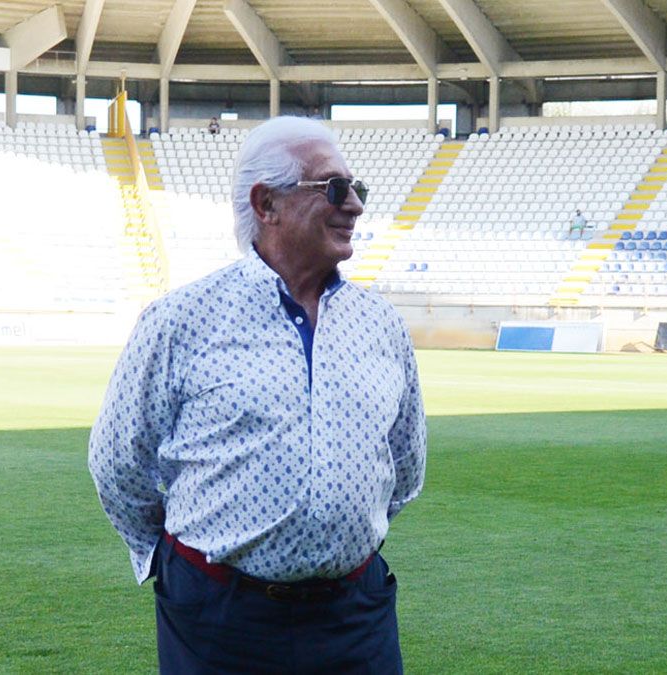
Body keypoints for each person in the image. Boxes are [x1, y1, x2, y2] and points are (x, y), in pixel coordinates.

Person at [89, 116, 427, 673]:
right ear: (266, 204)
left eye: (357, 189)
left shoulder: (381, 324)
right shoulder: (183, 320)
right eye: (334, 189)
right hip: (219, 620)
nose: (356, 206)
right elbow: (118, 465)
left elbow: (406, 467)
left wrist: (331, 538)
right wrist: (186, 563)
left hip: (355, 617)